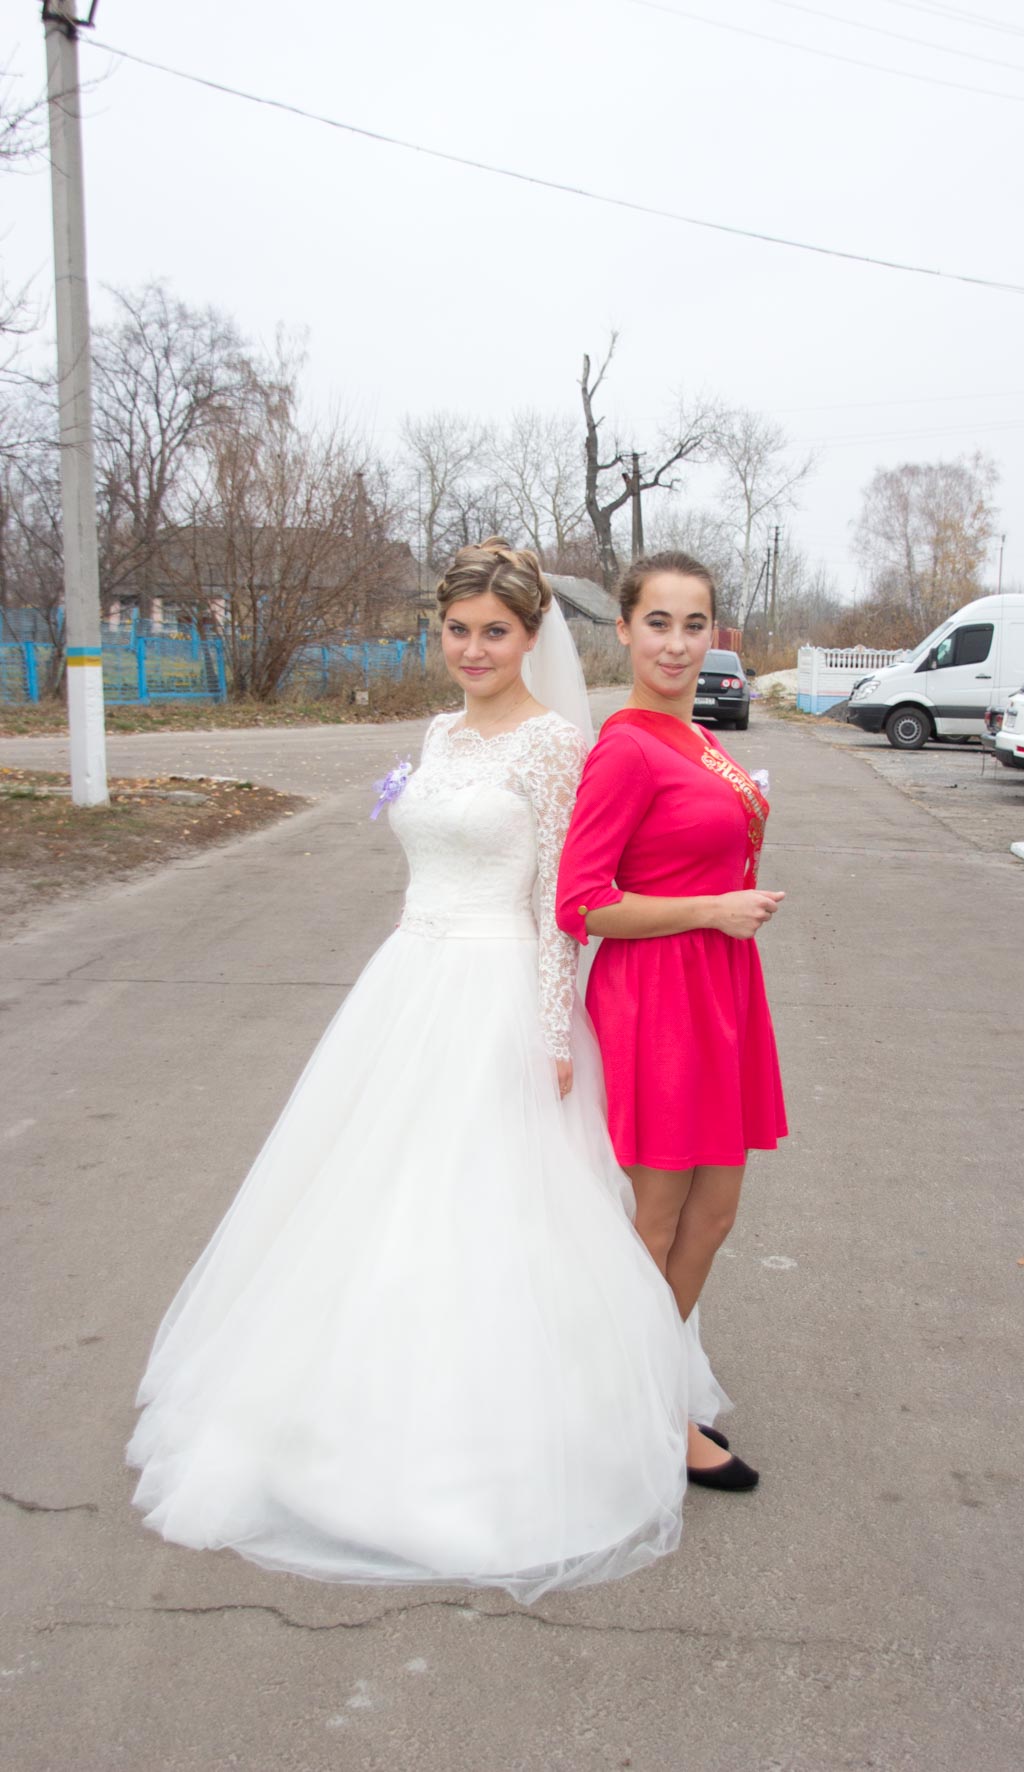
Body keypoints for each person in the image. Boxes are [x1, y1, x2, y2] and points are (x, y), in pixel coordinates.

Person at [128, 538, 711, 1602]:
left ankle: (511, 1427)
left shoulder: (554, 746)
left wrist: (551, 1031)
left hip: (499, 993)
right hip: (408, 980)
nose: (474, 649)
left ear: (530, 638)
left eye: (496, 632)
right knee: (371, 1192)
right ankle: (345, 1407)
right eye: (457, 630)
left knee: (487, 1203)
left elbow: (558, 902)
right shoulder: (437, 732)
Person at [556, 551, 788, 1492]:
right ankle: (635, 1412)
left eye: (694, 625)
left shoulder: (696, 738)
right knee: (654, 1218)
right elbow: (582, 903)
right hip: (656, 995)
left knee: (715, 1212)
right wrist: (709, 909)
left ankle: (646, 1390)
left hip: (718, 989)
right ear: (623, 630)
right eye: (657, 622)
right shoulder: (626, 746)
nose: (676, 644)